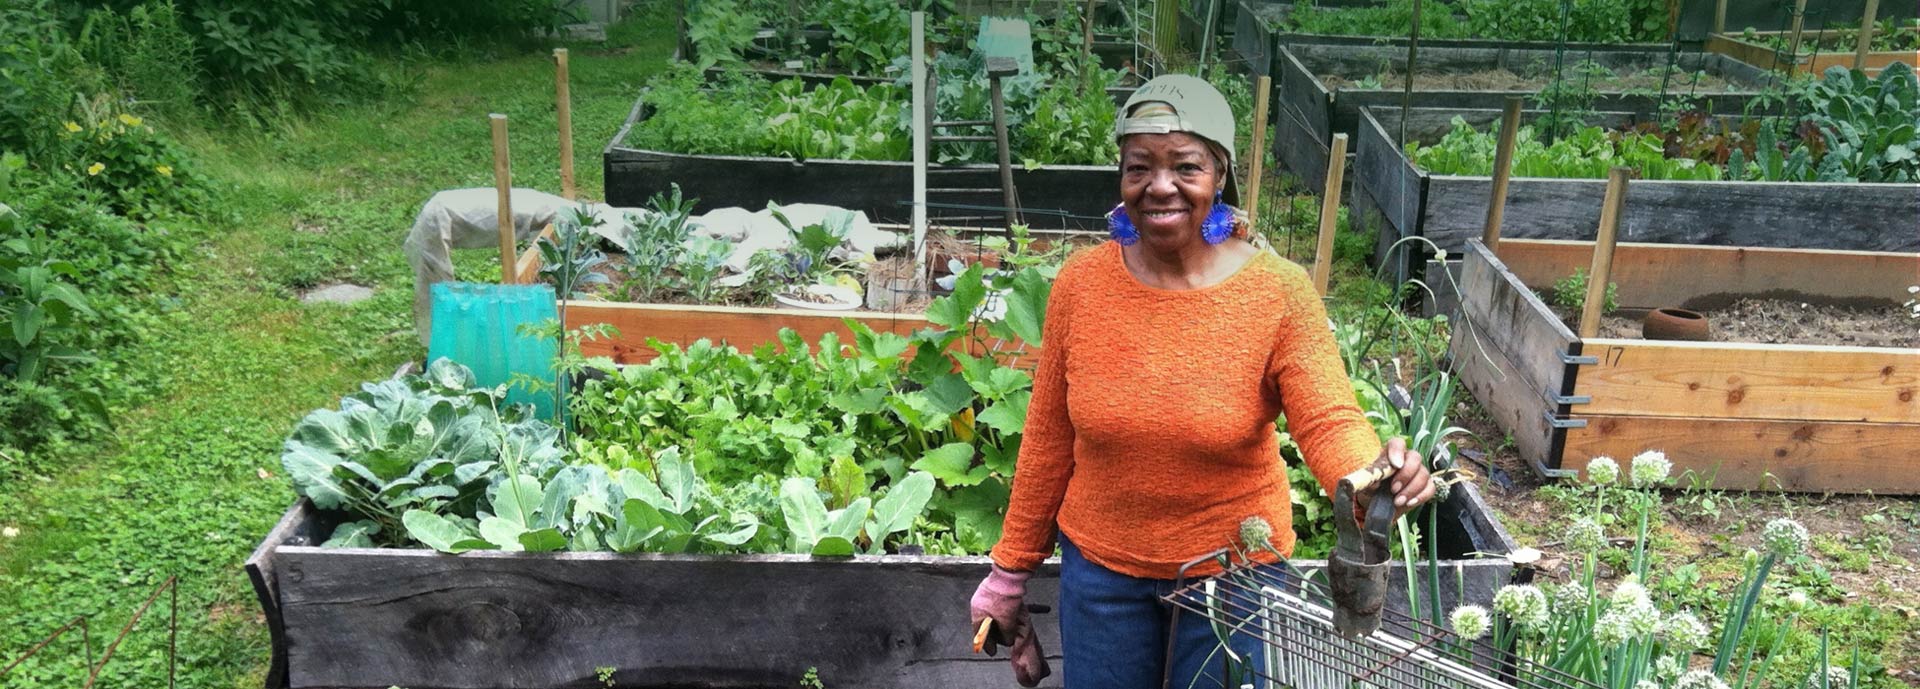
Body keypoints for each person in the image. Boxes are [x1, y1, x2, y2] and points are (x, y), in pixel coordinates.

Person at [967, 74, 1436, 689]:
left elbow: (1327, 419)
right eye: (1139, 168)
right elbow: (1048, 439)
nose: (1160, 186)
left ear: (1220, 176)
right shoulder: (1081, 286)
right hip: (1103, 574)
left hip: (1235, 576)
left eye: (1185, 166)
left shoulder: (1277, 292)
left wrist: (1372, 474)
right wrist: (1008, 572)